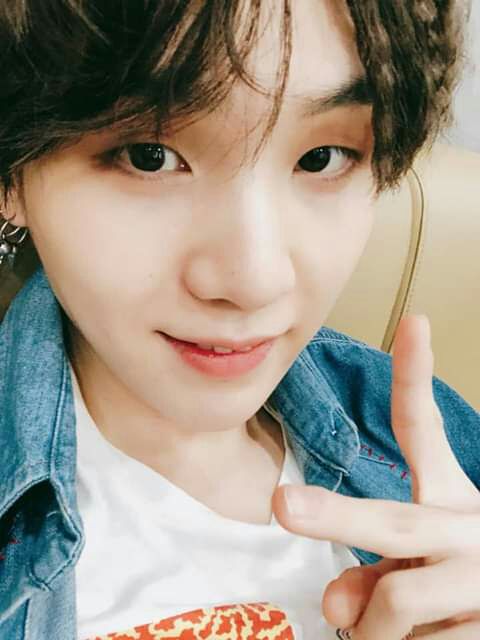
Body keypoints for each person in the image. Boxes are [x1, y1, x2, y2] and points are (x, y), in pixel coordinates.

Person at [0, 1, 478, 639]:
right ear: (11, 174)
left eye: (322, 157)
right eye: (149, 155)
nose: (256, 280)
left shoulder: (430, 447)